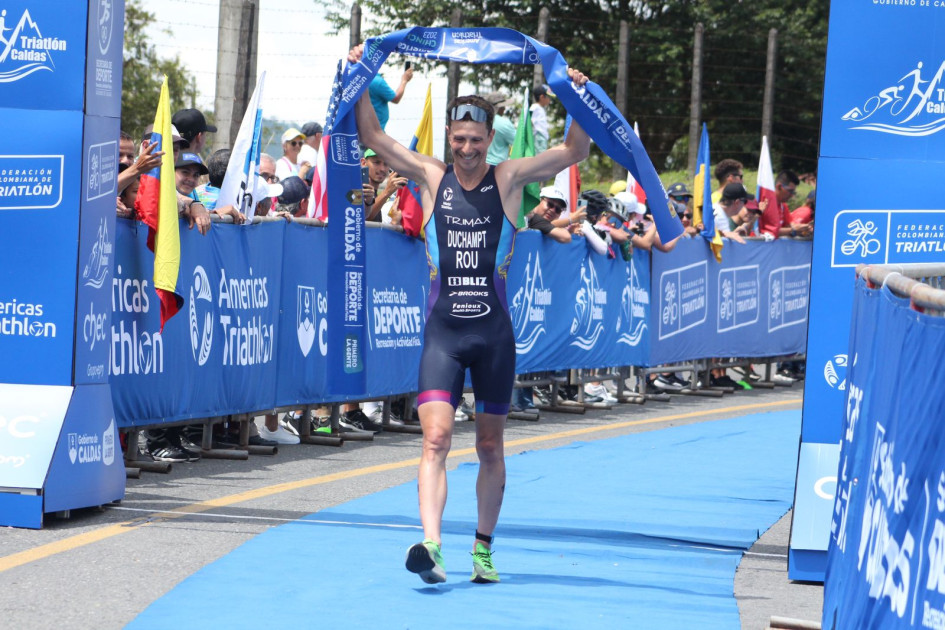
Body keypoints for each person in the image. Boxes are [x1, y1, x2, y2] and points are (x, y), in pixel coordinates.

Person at [350, 43, 590, 585]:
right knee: (434, 439)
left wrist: (574, 91)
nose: (465, 149)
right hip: (443, 333)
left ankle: (483, 548)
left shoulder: (508, 178)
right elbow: (373, 137)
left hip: (493, 336)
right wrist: (360, 75)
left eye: (475, 140)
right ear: (449, 139)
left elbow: (575, 148)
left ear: (490, 139)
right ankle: (431, 546)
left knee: (488, 444)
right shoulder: (432, 175)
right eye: (458, 139)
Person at [174, 152, 212, 235]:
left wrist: (220, 213)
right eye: (185, 172)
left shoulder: (194, 195)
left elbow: (203, 213)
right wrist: (193, 204)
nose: (191, 179)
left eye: (196, 175)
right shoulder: (159, 189)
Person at [368, 65, 414, 130]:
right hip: (376, 131)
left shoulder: (360, 78)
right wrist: (404, 80)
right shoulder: (377, 81)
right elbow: (396, 98)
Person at [483, 92, 517, 166]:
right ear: (499, 108)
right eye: (503, 106)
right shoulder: (504, 123)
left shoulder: (480, 120)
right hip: (498, 167)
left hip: (480, 166)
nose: (504, 108)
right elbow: (518, 142)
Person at [530, 83, 554, 153]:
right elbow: (529, 119)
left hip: (542, 137)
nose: (550, 99)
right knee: (540, 157)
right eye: (548, 97)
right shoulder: (535, 107)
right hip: (538, 136)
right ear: (542, 97)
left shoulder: (541, 108)